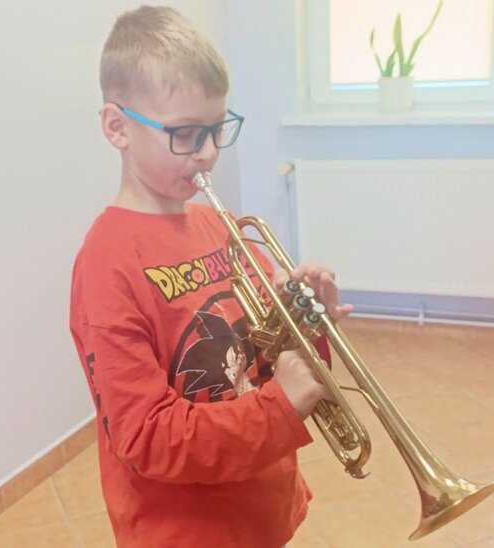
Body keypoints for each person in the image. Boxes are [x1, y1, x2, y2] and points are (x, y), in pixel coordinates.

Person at [69, 6, 352, 547]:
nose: (208, 154)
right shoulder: (107, 263)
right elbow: (146, 436)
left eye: (218, 129)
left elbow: (271, 354)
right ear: (117, 127)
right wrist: (280, 408)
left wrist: (310, 324)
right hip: (187, 531)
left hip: (263, 505)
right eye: (184, 134)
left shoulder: (217, 225)